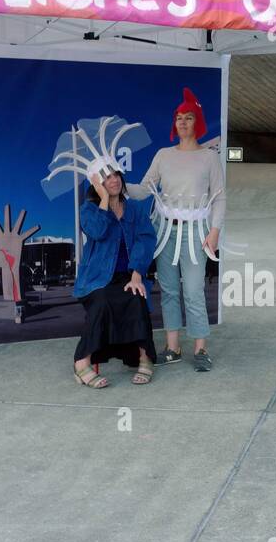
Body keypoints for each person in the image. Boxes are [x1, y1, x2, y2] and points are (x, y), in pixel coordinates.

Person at [125, 88, 225, 372]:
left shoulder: (209, 157)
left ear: (198, 122)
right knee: (168, 289)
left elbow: (219, 197)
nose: (182, 122)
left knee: (193, 290)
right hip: (165, 231)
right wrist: (118, 183)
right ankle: (173, 347)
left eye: (188, 117)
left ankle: (201, 349)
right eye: (179, 117)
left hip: (197, 233)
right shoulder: (163, 155)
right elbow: (145, 189)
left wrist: (214, 232)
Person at [72, 157, 158, 388]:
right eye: (107, 177)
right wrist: (102, 199)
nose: (114, 180)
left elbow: (146, 240)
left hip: (128, 275)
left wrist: (137, 273)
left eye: (116, 175)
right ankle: (81, 364)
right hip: (97, 279)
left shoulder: (135, 210)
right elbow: (97, 232)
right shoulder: (89, 210)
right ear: (98, 184)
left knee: (136, 297)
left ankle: (145, 358)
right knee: (101, 302)